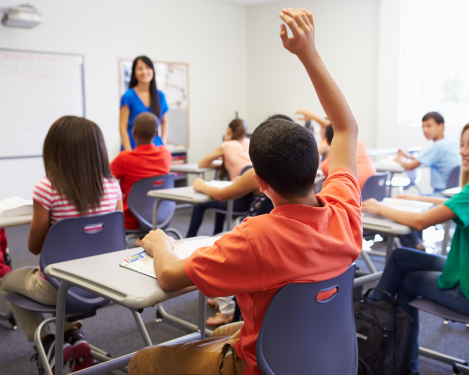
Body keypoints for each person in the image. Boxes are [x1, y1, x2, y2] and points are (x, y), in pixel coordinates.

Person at [128, 8, 362, 375]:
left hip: (259, 367)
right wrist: (308, 52)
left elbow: (170, 276)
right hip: (323, 355)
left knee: (143, 361)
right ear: (318, 168)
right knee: (222, 329)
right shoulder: (344, 209)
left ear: (261, 181)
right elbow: (346, 127)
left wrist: (160, 244)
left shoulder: (256, 238)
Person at [0, 116, 122, 374]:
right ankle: (76, 337)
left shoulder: (47, 189)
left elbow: (34, 246)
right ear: (98, 150)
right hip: (102, 286)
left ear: (54, 151)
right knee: (74, 269)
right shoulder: (113, 186)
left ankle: (46, 342)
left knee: (7, 281)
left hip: (57, 288)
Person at [361, 123, 469, 375]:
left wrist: (378, 208)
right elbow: (453, 202)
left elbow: (420, 222)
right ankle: (372, 318)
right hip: (461, 269)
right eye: (463, 144)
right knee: (400, 256)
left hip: (465, 292)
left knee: (406, 281)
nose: (463, 151)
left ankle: (399, 358)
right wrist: (418, 199)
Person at [191, 166, 274, 326]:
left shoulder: (260, 170)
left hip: (251, 237)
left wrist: (200, 184)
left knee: (221, 248)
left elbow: (222, 194)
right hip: (258, 236)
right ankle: (226, 300)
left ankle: (227, 311)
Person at [111, 112, 171, 230]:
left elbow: (103, 179)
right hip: (161, 216)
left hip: (131, 219)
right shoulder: (165, 154)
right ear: (157, 133)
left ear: (133, 132)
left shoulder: (124, 159)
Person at [396, 112, 461, 197]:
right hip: (452, 192)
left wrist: (400, 160)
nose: (425, 130)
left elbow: (409, 167)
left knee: (404, 198)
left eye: (429, 126)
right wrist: (407, 156)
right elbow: (424, 160)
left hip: (441, 194)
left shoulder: (438, 146)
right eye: (423, 127)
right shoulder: (451, 142)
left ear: (441, 126)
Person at [119, 56, 169, 150]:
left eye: (147, 67)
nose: (144, 72)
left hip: (155, 146)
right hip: (133, 145)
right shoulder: (128, 96)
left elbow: (164, 122)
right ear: (134, 72)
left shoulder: (160, 96)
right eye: (140, 68)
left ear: (153, 70)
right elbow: (122, 126)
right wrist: (129, 152)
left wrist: (163, 144)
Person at [320, 124, 376, 189]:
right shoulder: (360, 144)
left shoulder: (327, 165)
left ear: (327, 142)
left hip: (355, 195)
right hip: (375, 189)